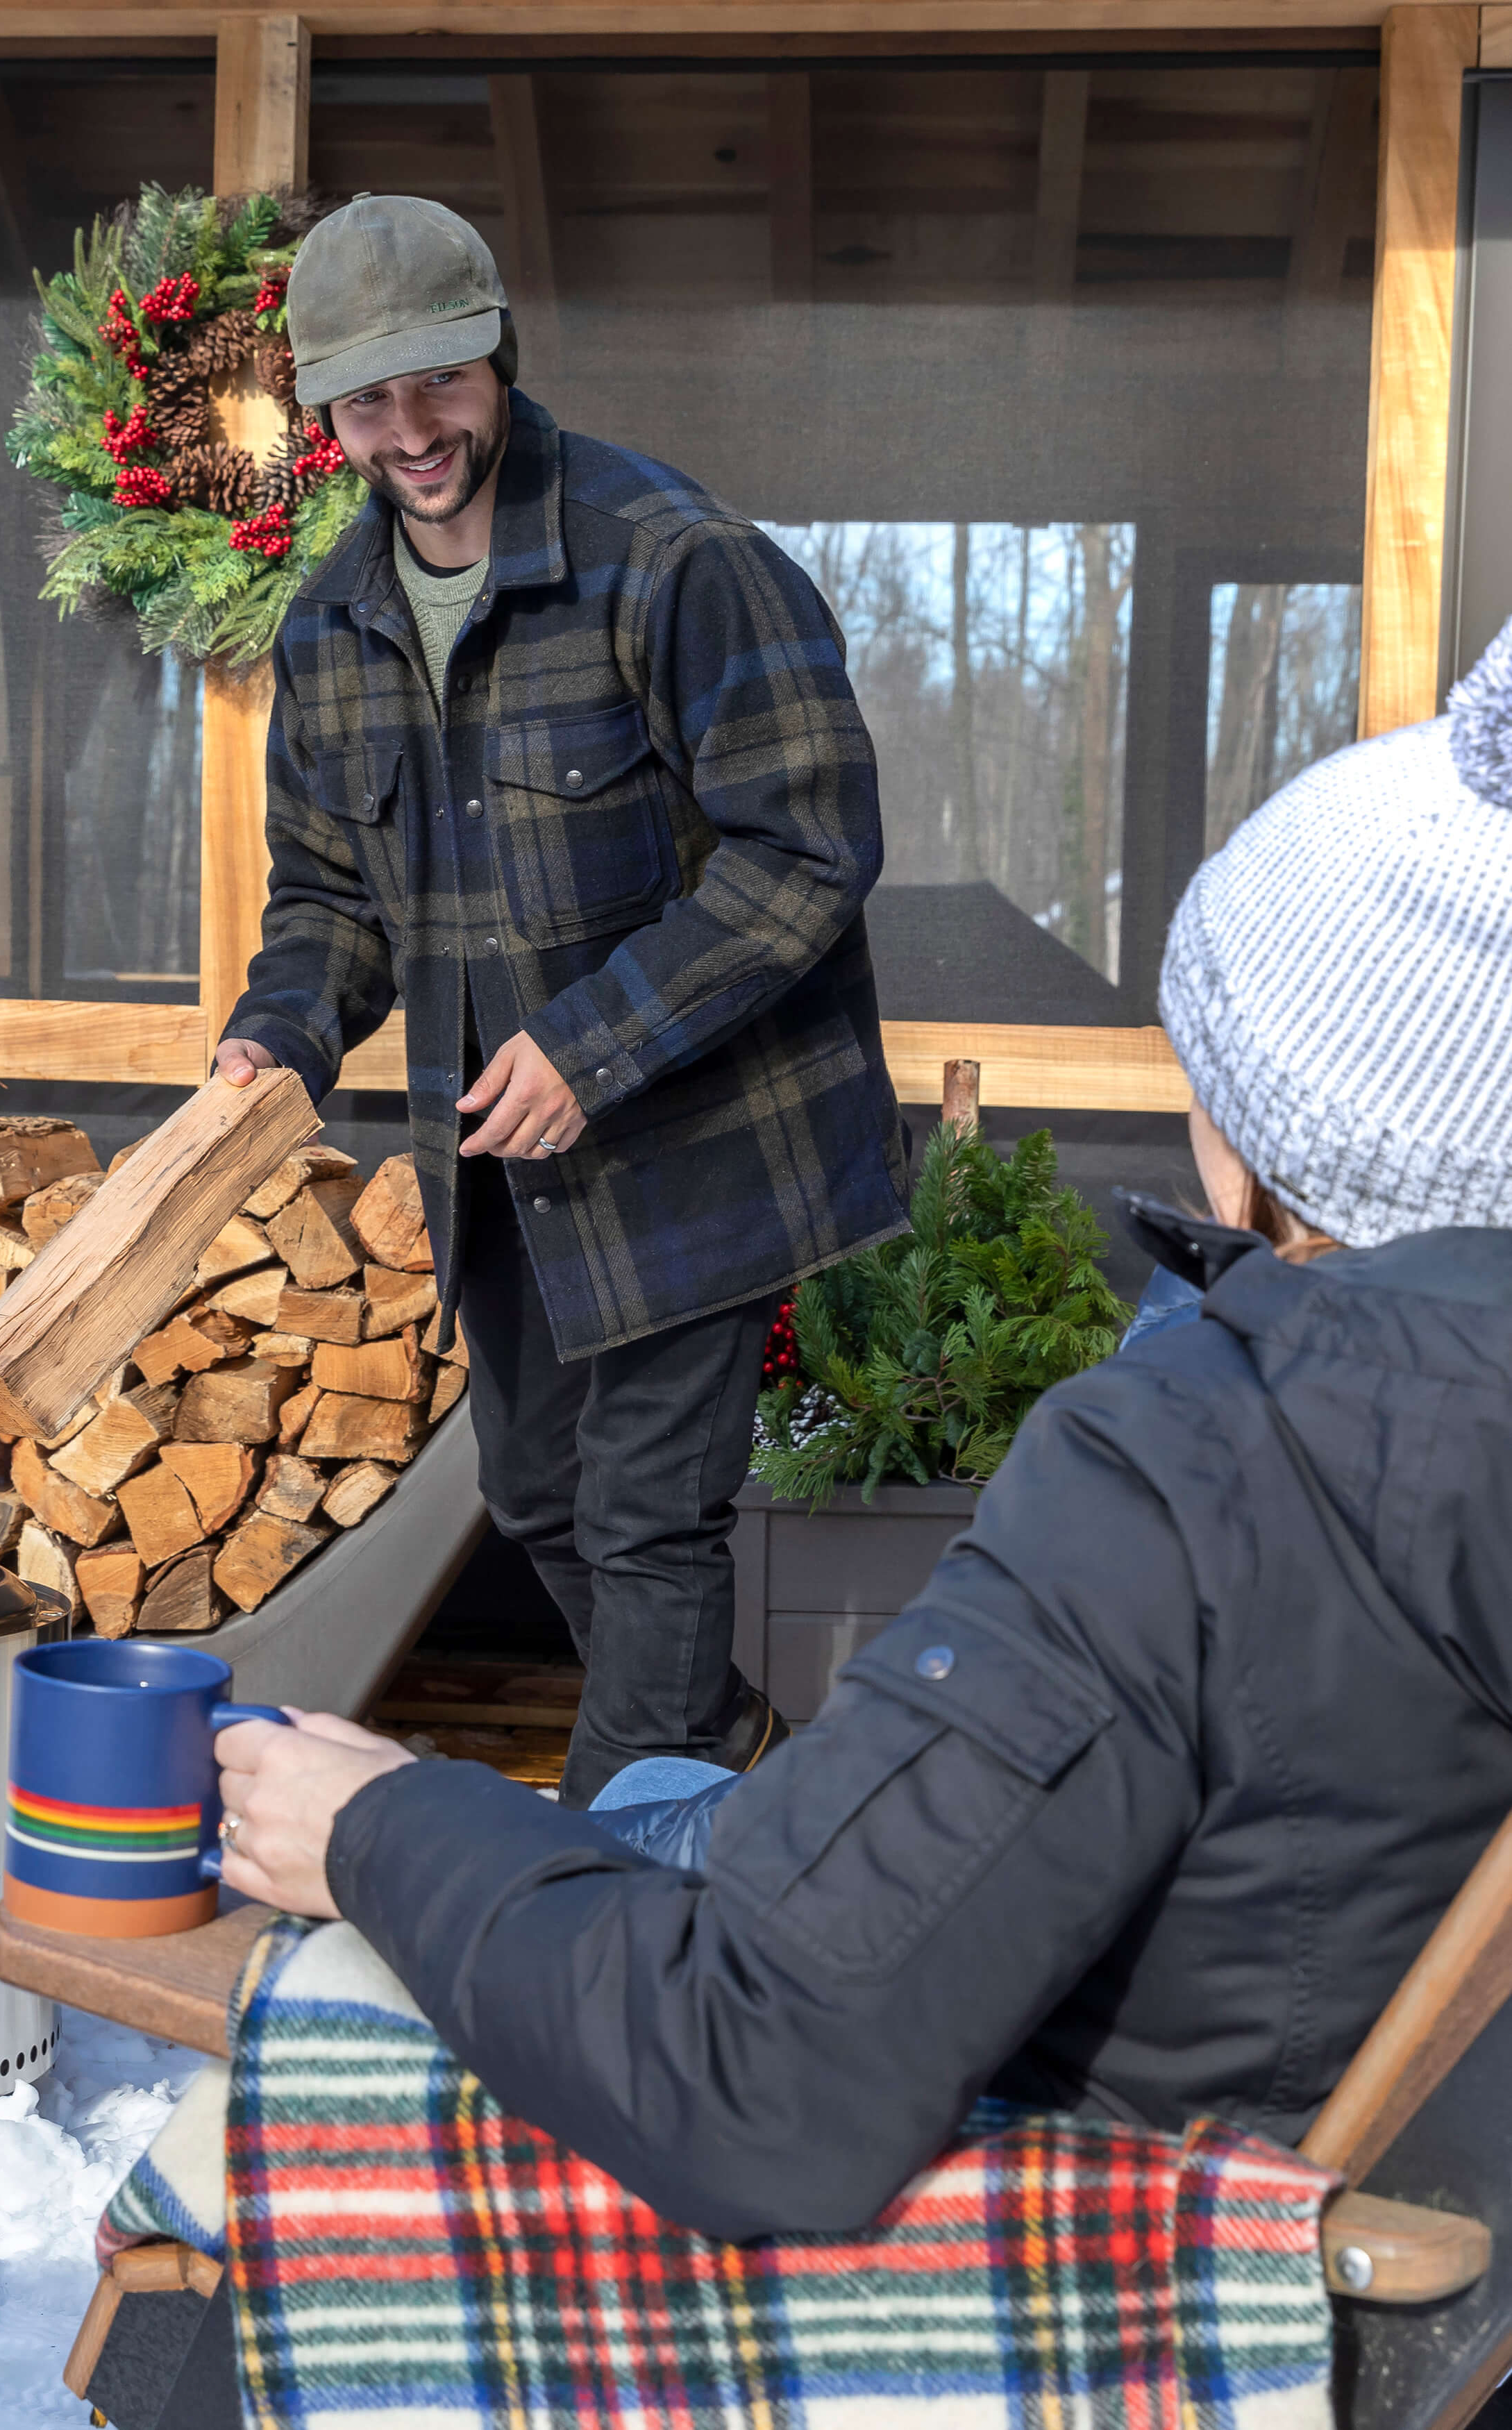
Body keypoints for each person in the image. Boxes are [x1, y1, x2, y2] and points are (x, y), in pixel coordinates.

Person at [212, 616, 1512, 2240]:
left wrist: (382, 1825)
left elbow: (760, 2081)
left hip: (1134, 2253)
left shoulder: (1214, 1475)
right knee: (656, 1791)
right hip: (1396, 2189)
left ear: (1262, 1135)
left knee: (283, 2075)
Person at [215, 195, 909, 1800]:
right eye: (370, 401)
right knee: (532, 1499)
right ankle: (740, 1766)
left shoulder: (676, 562)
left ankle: (606, 1895)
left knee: (646, 1525)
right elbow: (330, 894)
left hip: (699, 1135)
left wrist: (595, 1045)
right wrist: (285, 1033)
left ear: (498, 357)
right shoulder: (329, 620)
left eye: (439, 384)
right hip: (498, 1157)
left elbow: (805, 850)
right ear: (324, 413)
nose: (413, 432)